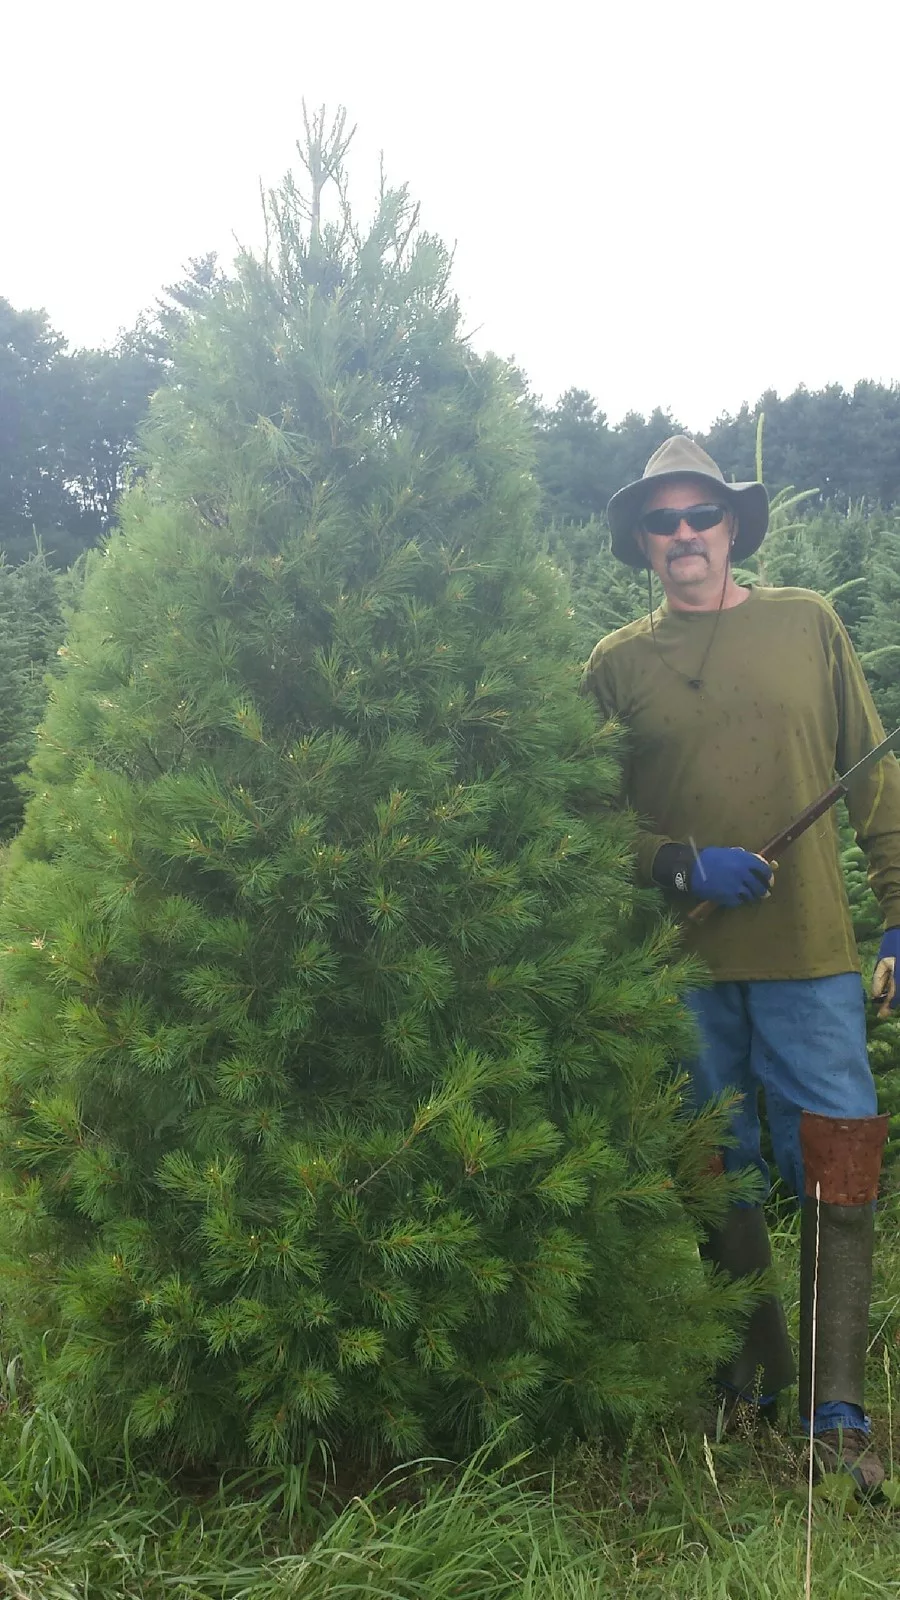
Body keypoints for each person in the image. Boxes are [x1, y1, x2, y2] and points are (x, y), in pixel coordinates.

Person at [581, 435, 900, 1494]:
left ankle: (838, 1405)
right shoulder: (615, 666)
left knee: (837, 1157)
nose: (683, 536)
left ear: (732, 527)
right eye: (662, 521)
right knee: (712, 1168)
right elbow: (583, 823)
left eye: (700, 516)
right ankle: (751, 1375)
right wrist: (679, 865)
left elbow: (878, 780)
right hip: (685, 970)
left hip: (811, 956)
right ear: (641, 539)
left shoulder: (807, 624)